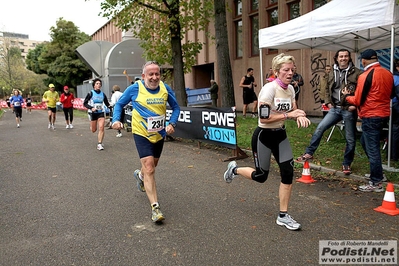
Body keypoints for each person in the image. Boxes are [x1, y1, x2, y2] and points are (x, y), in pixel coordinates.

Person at [224, 53, 311, 231]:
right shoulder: (269, 89)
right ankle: (234, 169)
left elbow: (294, 109)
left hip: (281, 136)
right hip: (264, 136)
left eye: (292, 70)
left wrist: (300, 115)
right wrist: (289, 115)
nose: (290, 73)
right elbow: (264, 118)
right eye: (286, 70)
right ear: (277, 71)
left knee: (288, 172)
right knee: (261, 176)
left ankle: (283, 216)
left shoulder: (291, 89)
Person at [112, 61, 180, 223]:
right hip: (141, 132)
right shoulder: (135, 88)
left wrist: (172, 123)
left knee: (152, 165)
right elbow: (119, 104)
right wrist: (116, 120)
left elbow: (176, 107)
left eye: (157, 74)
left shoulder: (165, 88)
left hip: (159, 133)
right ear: (143, 76)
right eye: (151, 74)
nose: (154, 77)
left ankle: (140, 175)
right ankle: (155, 208)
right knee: (149, 166)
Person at [297, 49, 362, 175]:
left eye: (346, 56)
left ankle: (346, 164)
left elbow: (362, 91)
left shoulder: (357, 73)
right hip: (335, 108)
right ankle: (309, 153)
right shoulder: (332, 72)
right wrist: (327, 101)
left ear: (349, 58)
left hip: (348, 109)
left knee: (350, 138)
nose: (343, 58)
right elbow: (326, 87)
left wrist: (356, 105)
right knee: (320, 128)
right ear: (336, 58)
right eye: (341, 56)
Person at [343, 49, 394, 192]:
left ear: (363, 61)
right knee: (365, 142)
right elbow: (391, 94)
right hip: (383, 114)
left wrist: (346, 97)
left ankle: (376, 182)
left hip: (371, 115)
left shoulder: (365, 75)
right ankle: (377, 173)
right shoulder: (388, 73)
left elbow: (358, 100)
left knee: (372, 149)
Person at [83, 78, 111, 150]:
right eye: (97, 84)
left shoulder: (103, 94)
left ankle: (99, 143)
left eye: (100, 84)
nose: (99, 85)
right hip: (93, 113)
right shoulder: (90, 93)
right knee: (93, 130)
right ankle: (92, 126)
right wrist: (91, 108)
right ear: (94, 85)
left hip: (101, 113)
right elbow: (85, 103)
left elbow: (107, 103)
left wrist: (110, 106)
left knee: (101, 127)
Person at [391, 59, 399, 162]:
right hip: (396, 106)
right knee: (396, 130)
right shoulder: (396, 77)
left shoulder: (394, 77)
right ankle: (394, 154)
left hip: (394, 105)